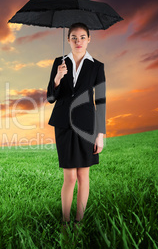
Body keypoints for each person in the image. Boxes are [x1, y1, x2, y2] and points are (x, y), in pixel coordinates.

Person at [46, 22, 106, 228]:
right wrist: (57, 78)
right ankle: (65, 221)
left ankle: (79, 222)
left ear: (89, 39)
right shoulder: (59, 63)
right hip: (63, 123)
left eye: (82, 37)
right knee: (70, 176)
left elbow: (100, 100)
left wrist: (101, 134)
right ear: (68, 39)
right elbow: (51, 98)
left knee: (83, 174)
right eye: (74, 37)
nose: (78, 41)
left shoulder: (97, 66)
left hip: (87, 126)